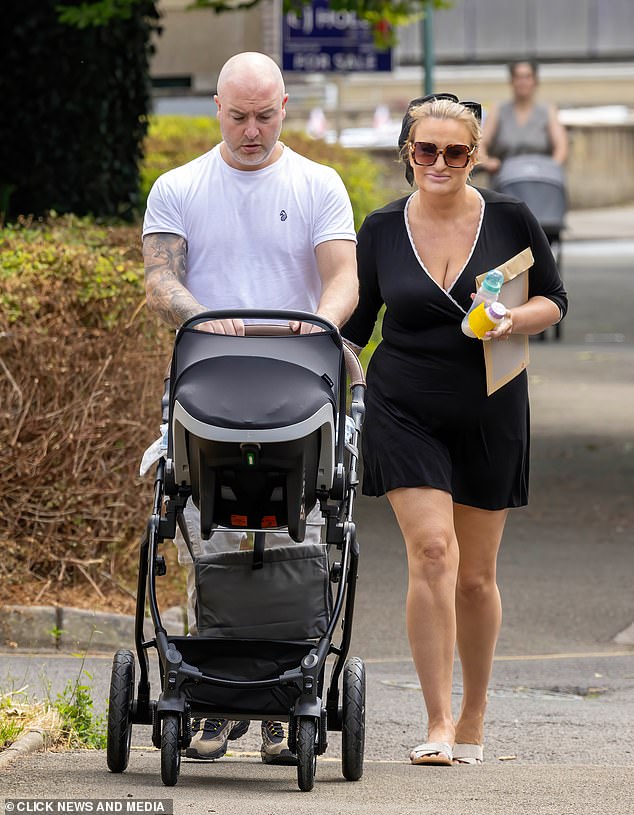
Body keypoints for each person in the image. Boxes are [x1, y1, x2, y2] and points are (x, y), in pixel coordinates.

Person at [142, 51, 358, 765]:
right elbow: (159, 280)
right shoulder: (180, 187)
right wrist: (205, 316)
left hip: (298, 391)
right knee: (208, 533)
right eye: (239, 116)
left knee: (298, 541)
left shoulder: (318, 184)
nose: (252, 131)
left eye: (266, 116)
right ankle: (207, 697)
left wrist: (318, 319)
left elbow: (342, 278)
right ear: (217, 110)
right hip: (209, 387)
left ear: (286, 108)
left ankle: (283, 698)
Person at [342, 94, 567, 766]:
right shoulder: (382, 228)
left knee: (476, 576)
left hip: (490, 406)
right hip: (404, 403)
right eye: (426, 150)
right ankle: (436, 719)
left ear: (475, 155)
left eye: (455, 152)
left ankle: (474, 711)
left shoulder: (510, 217)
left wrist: (512, 320)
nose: (439, 163)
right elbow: (353, 332)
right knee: (433, 552)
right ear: (407, 152)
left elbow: (554, 300)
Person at [480, 59, 568, 175]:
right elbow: (481, 143)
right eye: (518, 77)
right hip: (505, 179)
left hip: (539, 177)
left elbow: (561, 146)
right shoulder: (498, 110)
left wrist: (551, 168)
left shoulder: (547, 111)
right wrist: (487, 162)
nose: (523, 82)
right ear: (511, 81)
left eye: (528, 77)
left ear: (535, 81)